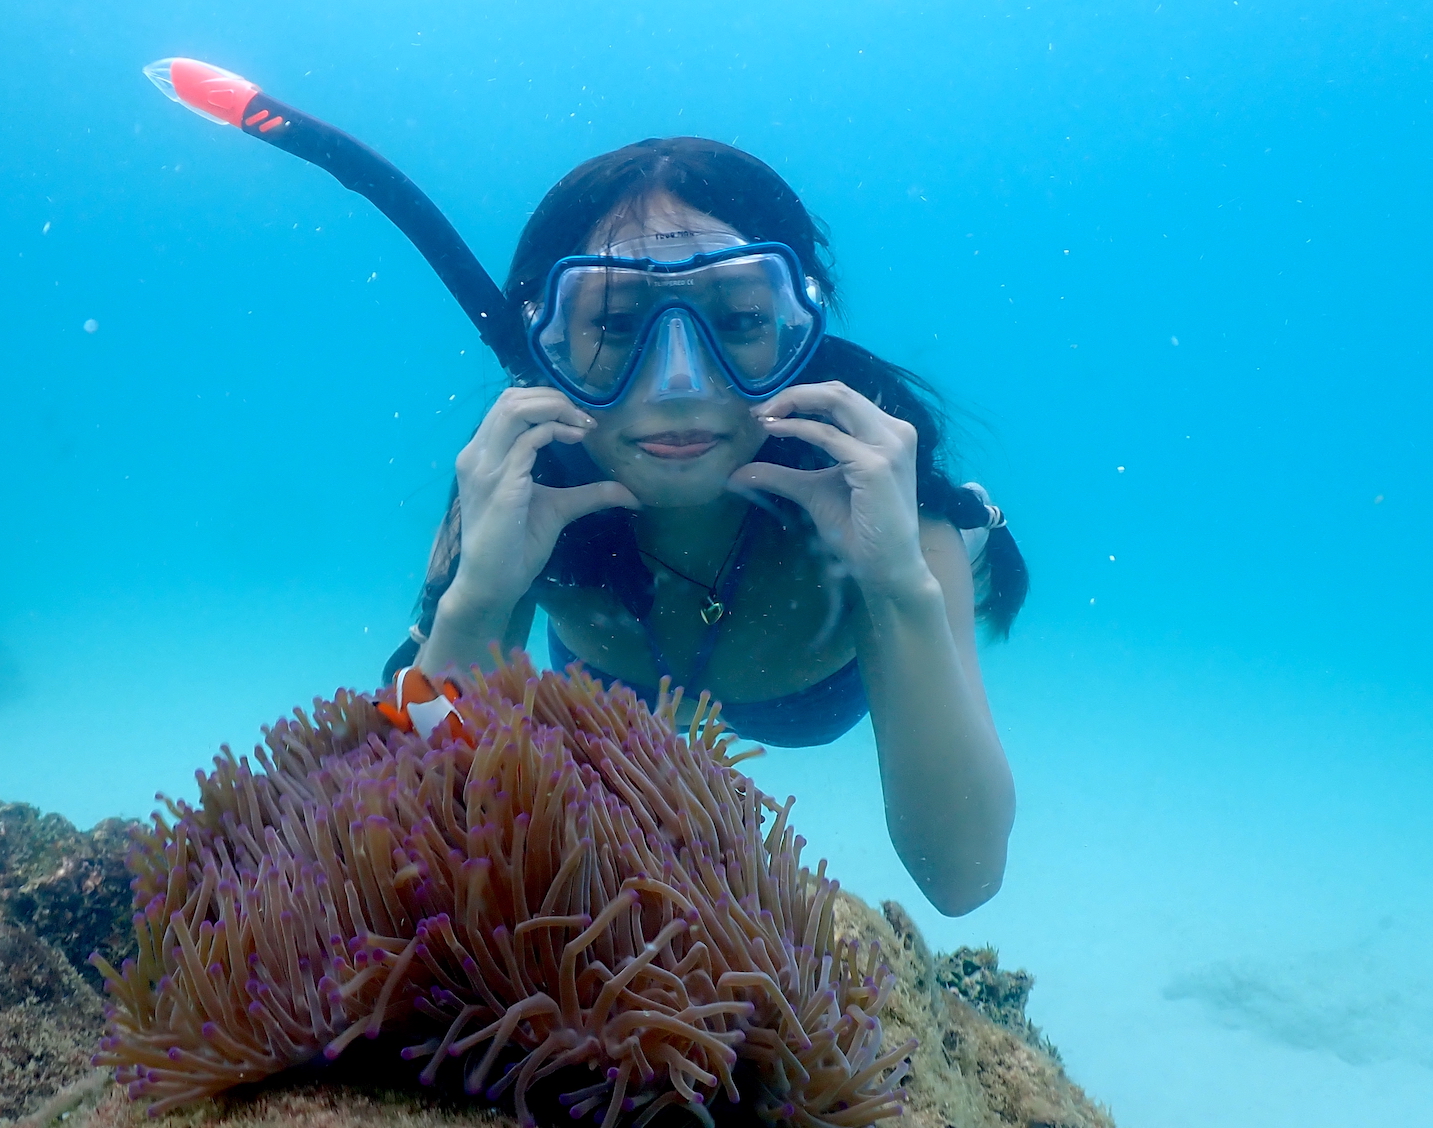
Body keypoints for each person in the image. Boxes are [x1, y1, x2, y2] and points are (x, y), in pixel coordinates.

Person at [384, 138, 1025, 917]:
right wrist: (476, 601)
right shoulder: (516, 487)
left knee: (956, 530)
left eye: (741, 319)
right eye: (618, 326)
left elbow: (962, 877)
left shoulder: (873, 502)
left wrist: (900, 588)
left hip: (881, 566)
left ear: (798, 330)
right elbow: (397, 805)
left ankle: (979, 522)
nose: (679, 383)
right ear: (544, 343)